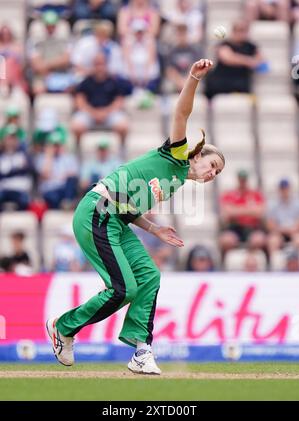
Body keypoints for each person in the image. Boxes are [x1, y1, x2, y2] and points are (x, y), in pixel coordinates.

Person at [46, 59, 225, 375]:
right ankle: (64, 326)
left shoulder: (177, 179)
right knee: (122, 289)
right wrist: (193, 78)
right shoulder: (178, 155)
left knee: (149, 277)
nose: (212, 173)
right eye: (212, 165)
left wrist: (153, 228)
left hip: (113, 219)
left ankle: (141, 351)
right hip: (96, 213)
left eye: (217, 172)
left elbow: (128, 207)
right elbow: (181, 113)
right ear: (198, 155)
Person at [204, 20, 264, 100]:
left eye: (244, 30)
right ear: (233, 31)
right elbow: (227, 58)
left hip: (241, 84)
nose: (241, 33)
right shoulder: (224, 44)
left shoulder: (251, 46)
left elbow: (260, 60)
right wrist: (249, 61)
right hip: (221, 83)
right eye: (239, 30)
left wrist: (247, 61)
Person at [219, 169, 266, 260]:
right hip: (234, 227)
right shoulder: (229, 194)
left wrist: (236, 210)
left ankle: (251, 263)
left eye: (244, 179)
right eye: (241, 179)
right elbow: (227, 213)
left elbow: (259, 213)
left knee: (258, 240)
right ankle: (225, 266)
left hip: (252, 227)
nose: (242, 182)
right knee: (226, 240)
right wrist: (249, 209)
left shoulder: (255, 194)